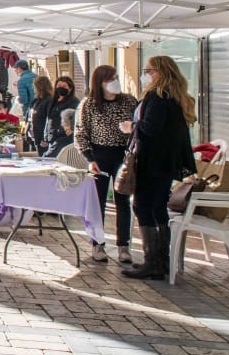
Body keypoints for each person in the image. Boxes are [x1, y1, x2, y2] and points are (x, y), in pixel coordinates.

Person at [122, 55, 197, 281]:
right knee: (157, 208)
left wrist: (131, 127)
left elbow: (150, 129)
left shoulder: (158, 97)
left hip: (153, 162)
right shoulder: (175, 97)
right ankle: (160, 261)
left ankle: (153, 261)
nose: (146, 76)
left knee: (143, 206)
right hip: (166, 163)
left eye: (149, 71)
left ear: (160, 73)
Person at [76, 65, 138, 265]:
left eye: (117, 77)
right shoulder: (89, 104)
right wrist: (89, 158)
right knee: (98, 202)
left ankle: (123, 246)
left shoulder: (129, 101)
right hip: (99, 155)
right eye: (110, 79)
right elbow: (81, 133)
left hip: (123, 155)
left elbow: (140, 125)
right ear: (100, 82)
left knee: (123, 201)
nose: (115, 81)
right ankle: (98, 243)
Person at [44, 76, 80, 157]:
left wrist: (68, 132)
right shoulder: (53, 101)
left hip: (63, 138)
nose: (61, 88)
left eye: (64, 86)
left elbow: (74, 119)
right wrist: (46, 136)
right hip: (52, 137)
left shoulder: (74, 102)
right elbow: (49, 119)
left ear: (70, 89)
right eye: (59, 86)